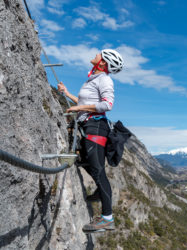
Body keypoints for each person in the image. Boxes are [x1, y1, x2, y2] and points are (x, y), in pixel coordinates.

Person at [58, 49, 124, 232]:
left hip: (96, 127)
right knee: (86, 162)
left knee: (98, 170)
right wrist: (67, 93)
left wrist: (79, 107)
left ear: (103, 62)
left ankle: (107, 218)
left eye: (99, 54)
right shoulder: (94, 79)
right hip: (91, 126)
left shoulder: (104, 79)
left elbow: (107, 105)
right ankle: (99, 190)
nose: (95, 54)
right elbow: (83, 103)